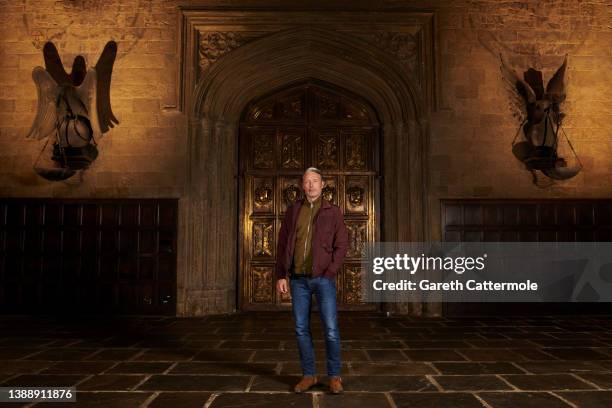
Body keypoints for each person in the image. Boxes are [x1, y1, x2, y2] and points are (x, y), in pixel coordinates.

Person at [276, 167, 348, 394]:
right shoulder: (293, 210)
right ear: (302, 184)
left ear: (322, 184)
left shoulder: (332, 211)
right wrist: (281, 274)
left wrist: (329, 272)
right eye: (307, 181)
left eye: (315, 181)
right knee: (300, 328)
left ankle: (334, 376)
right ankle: (309, 375)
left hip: (323, 279)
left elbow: (342, 245)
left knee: (331, 329)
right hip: (298, 280)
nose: (311, 185)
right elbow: (282, 243)